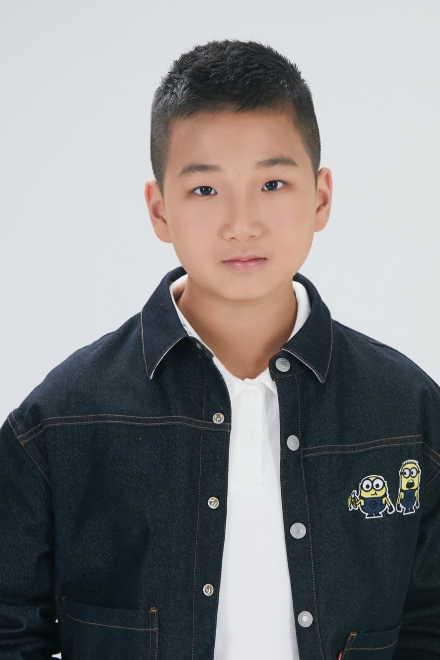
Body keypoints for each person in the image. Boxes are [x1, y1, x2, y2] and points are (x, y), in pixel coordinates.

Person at [0, 39, 439, 660]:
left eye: (273, 183)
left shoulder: (408, 411)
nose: (241, 223)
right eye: (205, 190)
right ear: (159, 210)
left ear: (320, 197)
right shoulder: (63, 419)